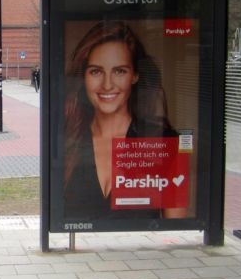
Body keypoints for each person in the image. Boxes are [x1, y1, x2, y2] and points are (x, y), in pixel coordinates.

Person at [63, 21, 186, 220]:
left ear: (135, 75)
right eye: (96, 71)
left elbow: (177, 231)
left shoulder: (166, 142)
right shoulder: (66, 137)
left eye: (119, 71)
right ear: (83, 77)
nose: (107, 84)